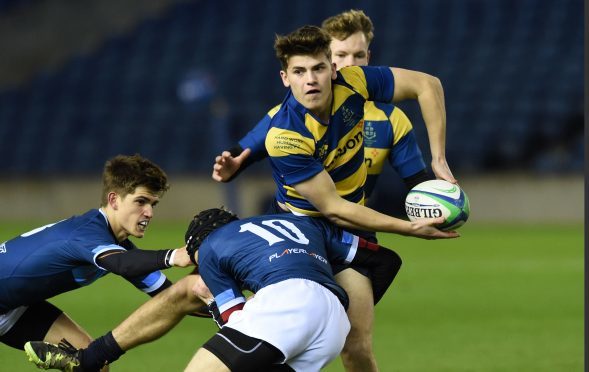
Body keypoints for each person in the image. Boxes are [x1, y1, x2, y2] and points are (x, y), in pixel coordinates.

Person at [212, 21, 459, 372]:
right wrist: (409, 228)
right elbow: (333, 209)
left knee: (355, 345)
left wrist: (438, 158)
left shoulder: (355, 84)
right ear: (285, 78)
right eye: (299, 71)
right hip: (300, 235)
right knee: (279, 344)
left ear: (332, 69)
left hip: (351, 231)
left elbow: (428, 84)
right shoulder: (284, 133)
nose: (310, 79)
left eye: (318, 68)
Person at [24, 208, 402, 372]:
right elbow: (386, 262)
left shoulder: (214, 249)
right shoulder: (307, 226)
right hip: (334, 324)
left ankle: (89, 359)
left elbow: (234, 322)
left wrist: (224, 300)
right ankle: (89, 359)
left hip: (285, 306)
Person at [0, 154, 192, 368]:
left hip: (14, 307)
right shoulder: (88, 235)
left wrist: (218, 283)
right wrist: (175, 256)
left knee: (94, 363)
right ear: (113, 200)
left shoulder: (120, 249)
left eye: (153, 204)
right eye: (141, 201)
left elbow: (178, 297)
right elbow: (121, 264)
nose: (149, 212)